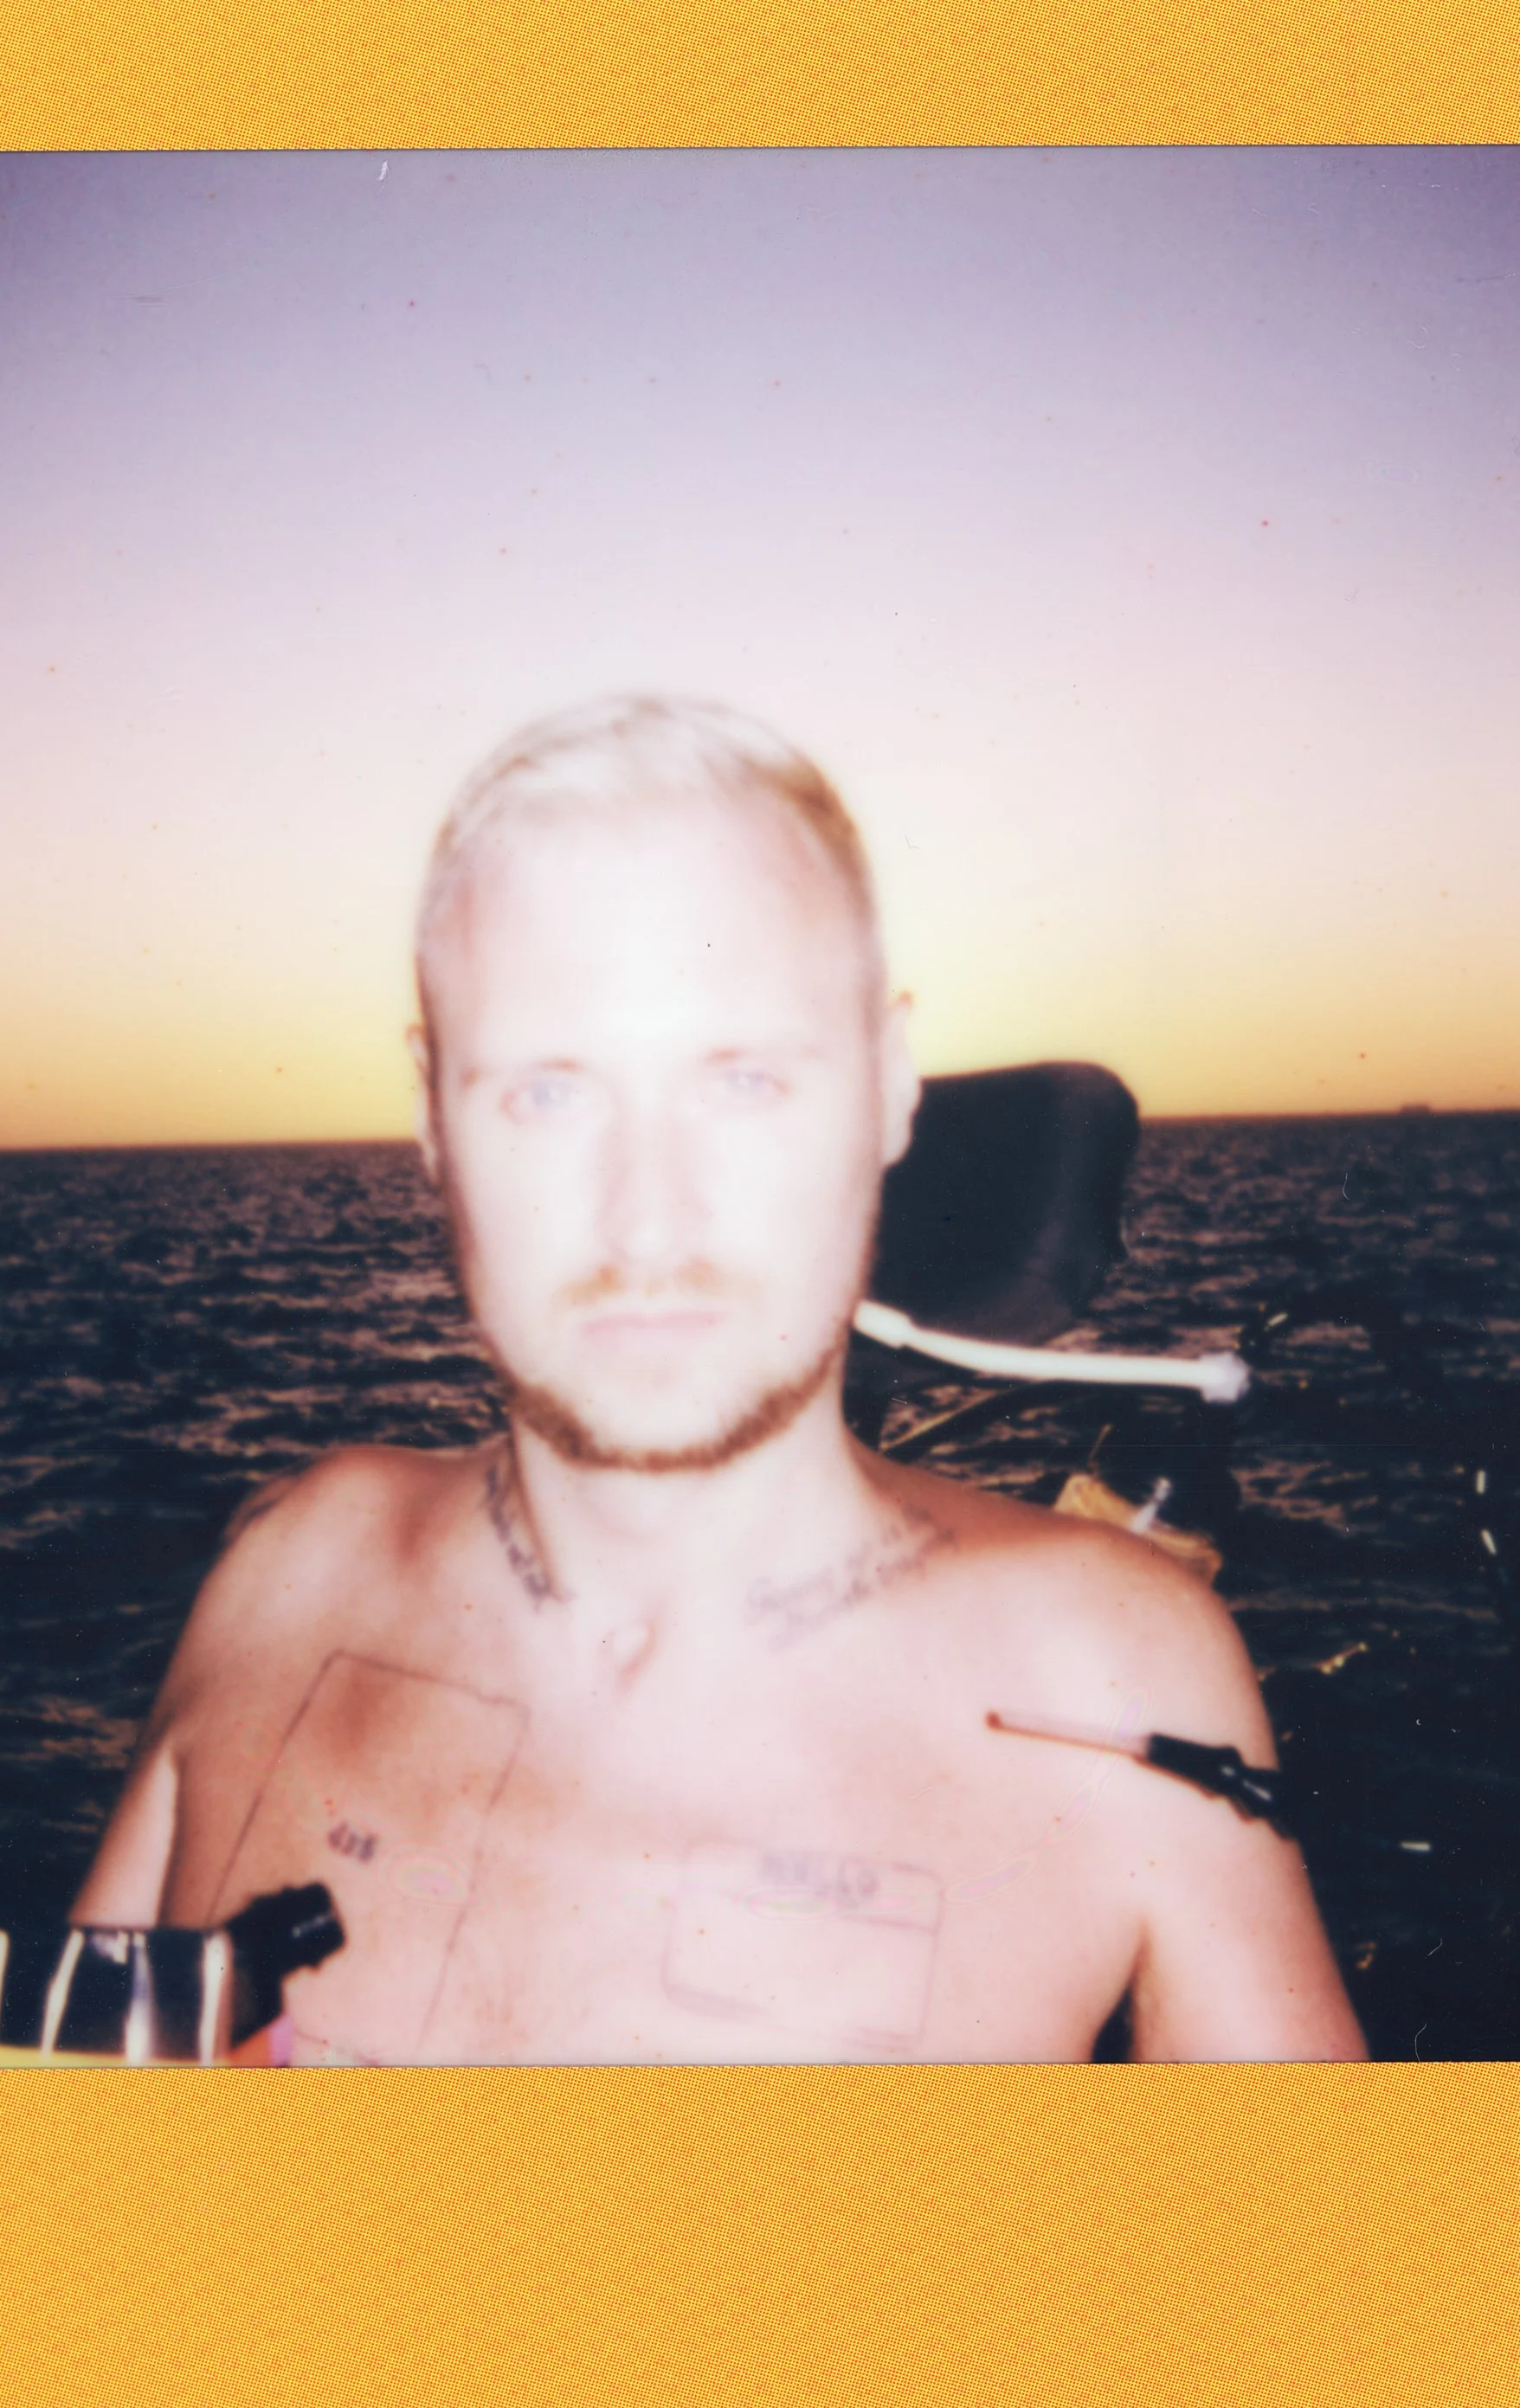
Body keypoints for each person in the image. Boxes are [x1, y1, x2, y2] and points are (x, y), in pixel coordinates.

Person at [74, 696, 1366, 2064]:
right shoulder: (288, 1576)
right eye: (546, 1094)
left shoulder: (1113, 1684)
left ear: (887, 1086)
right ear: (430, 1117)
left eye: (743, 1081)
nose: (647, 1225)